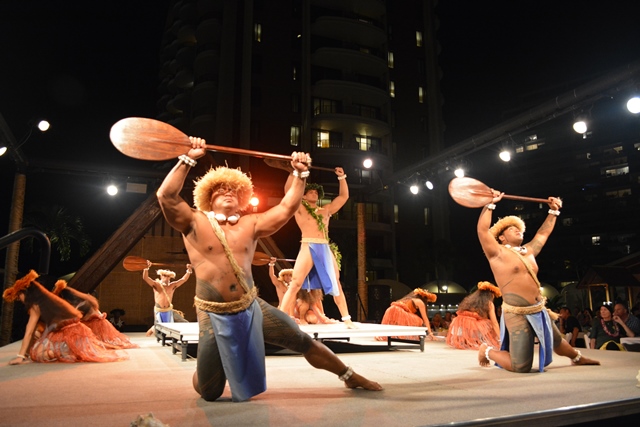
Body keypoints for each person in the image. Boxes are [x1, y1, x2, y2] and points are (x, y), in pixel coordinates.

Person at [155, 137, 381, 402]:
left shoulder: (251, 224)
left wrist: (300, 173)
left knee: (300, 339)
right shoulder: (193, 221)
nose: (227, 192)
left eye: (233, 190)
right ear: (208, 196)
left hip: (251, 307)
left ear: (241, 200)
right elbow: (165, 195)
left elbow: (287, 207)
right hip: (211, 312)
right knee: (209, 391)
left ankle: (348, 375)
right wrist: (189, 158)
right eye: (220, 189)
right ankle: (206, 365)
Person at [476, 191, 599, 371]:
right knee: (521, 366)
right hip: (516, 312)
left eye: (519, 228)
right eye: (512, 229)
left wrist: (553, 212)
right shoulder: (497, 253)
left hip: (538, 308)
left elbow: (543, 233)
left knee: (556, 340)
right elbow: (482, 230)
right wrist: (490, 204)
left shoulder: (529, 251)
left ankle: (577, 357)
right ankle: (487, 350)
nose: (518, 230)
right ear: (501, 237)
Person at [278, 168, 356, 328]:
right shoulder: (299, 208)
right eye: (310, 192)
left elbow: (343, 197)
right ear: (304, 195)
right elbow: (288, 192)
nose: (313, 194)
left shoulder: (325, 210)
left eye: (316, 192)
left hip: (325, 247)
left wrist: (342, 176)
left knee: (337, 283)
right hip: (308, 244)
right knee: (295, 284)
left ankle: (347, 319)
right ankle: (282, 317)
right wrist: (294, 172)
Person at [3, 270, 127, 364]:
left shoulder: (35, 305)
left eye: (19, 296)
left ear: (25, 293)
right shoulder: (47, 301)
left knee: (37, 354)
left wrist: (20, 357)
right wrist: (24, 353)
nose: (19, 300)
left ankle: (72, 350)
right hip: (79, 333)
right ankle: (75, 348)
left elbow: (29, 332)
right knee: (36, 346)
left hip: (72, 335)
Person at [52, 279, 138, 349]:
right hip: (95, 323)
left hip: (97, 324)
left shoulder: (82, 304)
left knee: (98, 343)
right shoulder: (81, 301)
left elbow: (78, 318)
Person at [268, 258, 331, 325]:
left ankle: (318, 316)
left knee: (307, 303)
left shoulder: (296, 286)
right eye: (286, 275)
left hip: (296, 311)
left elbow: (312, 298)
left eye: (290, 275)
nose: (288, 277)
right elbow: (272, 276)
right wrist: (271, 264)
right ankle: (297, 318)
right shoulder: (279, 284)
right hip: (284, 310)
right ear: (283, 276)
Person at [447, 281, 501, 350]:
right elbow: (494, 323)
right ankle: (473, 341)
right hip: (471, 330)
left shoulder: (470, 300)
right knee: (488, 324)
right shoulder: (489, 303)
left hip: (458, 326)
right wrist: (500, 338)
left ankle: (466, 341)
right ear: (491, 294)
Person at [142, 263, 191, 335]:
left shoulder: (172, 285)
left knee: (185, 323)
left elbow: (183, 279)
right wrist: (146, 268)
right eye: (164, 276)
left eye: (168, 276)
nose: (166, 278)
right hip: (159, 310)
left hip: (168, 310)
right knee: (159, 328)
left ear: (170, 277)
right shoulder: (156, 285)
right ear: (161, 276)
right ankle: (152, 331)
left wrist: (189, 270)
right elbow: (146, 278)